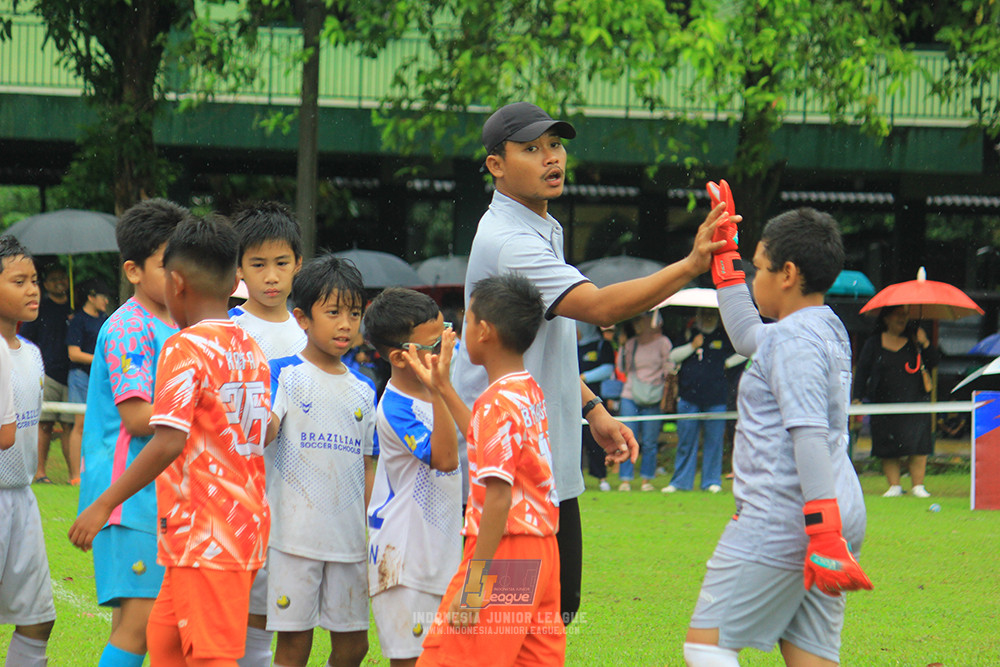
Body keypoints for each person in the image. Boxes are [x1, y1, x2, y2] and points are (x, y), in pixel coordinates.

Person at [450, 101, 731, 623]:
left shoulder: (541, 226)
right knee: (509, 617)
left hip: (547, 463)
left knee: (555, 607)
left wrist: (592, 407)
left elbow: (537, 349)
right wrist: (692, 265)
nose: (551, 158)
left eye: (555, 145)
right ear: (495, 164)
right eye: (531, 149)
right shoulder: (510, 240)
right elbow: (600, 308)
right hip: (506, 470)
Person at [70, 214, 271, 667]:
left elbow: (166, 441)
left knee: (209, 655)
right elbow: (265, 426)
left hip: (208, 533)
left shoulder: (185, 346)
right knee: (164, 642)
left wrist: (104, 502)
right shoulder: (250, 346)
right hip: (213, 528)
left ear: (177, 283)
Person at [684, 205, 872, 667]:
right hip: (830, 511)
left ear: (787, 273)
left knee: (706, 647)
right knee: (810, 656)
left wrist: (822, 530)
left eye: (759, 268)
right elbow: (749, 335)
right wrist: (724, 257)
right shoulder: (825, 327)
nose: (753, 279)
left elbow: (807, 430)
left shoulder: (793, 340)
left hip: (787, 516)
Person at [419, 274, 564, 667]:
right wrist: (444, 388)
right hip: (542, 549)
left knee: (454, 656)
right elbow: (488, 442)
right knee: (529, 658)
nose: (461, 330)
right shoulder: (526, 390)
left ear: (484, 331)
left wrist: (476, 582)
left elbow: (499, 497)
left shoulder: (495, 403)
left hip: (507, 550)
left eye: (466, 320)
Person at [76, 199, 185, 667]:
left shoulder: (181, 323)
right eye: (167, 266)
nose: (179, 277)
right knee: (140, 626)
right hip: (130, 501)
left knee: (157, 627)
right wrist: (205, 405)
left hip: (163, 497)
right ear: (134, 271)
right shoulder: (127, 327)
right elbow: (139, 418)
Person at [265, 255, 375, 667]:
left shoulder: (365, 389)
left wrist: (368, 530)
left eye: (354, 313)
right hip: (294, 538)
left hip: (348, 541)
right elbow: (265, 430)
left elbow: (367, 465)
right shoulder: (281, 374)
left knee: (354, 646)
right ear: (302, 318)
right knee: (294, 646)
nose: (346, 324)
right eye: (333, 313)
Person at [363, 288, 463, 667]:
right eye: (434, 344)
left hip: (442, 556)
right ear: (399, 357)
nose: (445, 350)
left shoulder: (439, 392)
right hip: (403, 563)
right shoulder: (395, 408)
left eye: (446, 334)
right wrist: (441, 388)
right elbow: (445, 458)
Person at [228, 201, 306, 667]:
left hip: (297, 499)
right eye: (258, 265)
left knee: (287, 610)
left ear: (299, 263)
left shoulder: (309, 335)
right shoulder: (229, 332)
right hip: (242, 494)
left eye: (281, 263)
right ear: (238, 269)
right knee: (248, 613)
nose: (271, 276)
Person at [0, 235, 57, 666]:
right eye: (19, 281)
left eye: (34, 279)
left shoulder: (31, 354)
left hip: (22, 496)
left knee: (38, 618)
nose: (32, 289)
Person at [853, 305, 940, 498]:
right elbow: (862, 371)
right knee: (887, 445)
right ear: (886, 318)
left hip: (915, 401)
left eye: (906, 315)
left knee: (917, 444)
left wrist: (925, 343)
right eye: (898, 315)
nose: (903, 319)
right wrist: (857, 397)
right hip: (883, 403)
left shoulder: (915, 340)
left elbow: (934, 362)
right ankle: (894, 486)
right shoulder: (873, 343)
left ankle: (918, 485)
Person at [664, 308, 743, 494]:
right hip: (689, 396)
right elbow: (672, 356)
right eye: (704, 313)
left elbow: (745, 351)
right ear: (698, 315)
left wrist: (727, 363)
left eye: (710, 313)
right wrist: (692, 346)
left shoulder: (724, 335)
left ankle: (711, 481)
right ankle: (680, 482)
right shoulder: (688, 333)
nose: (707, 316)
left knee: (714, 442)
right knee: (686, 441)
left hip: (716, 397)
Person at [19, 263, 74, 485]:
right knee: (44, 425)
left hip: (71, 374)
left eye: (63, 277)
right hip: (46, 373)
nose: (60, 282)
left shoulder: (74, 309)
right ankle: (40, 472)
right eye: (54, 279)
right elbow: (26, 338)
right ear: (46, 284)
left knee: (70, 426)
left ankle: (74, 475)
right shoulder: (40, 308)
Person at [616, 312, 673, 492]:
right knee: (626, 438)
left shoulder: (663, 342)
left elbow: (669, 368)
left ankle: (646, 480)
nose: (638, 323)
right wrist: (622, 347)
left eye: (641, 319)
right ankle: (625, 479)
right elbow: (622, 368)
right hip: (631, 394)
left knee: (649, 441)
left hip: (653, 395)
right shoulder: (632, 343)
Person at [64, 278, 111, 486]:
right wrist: (102, 360)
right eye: (103, 297)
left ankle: (95, 472)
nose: (106, 302)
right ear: (91, 297)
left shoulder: (105, 319)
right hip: (80, 377)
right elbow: (73, 354)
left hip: (100, 378)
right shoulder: (78, 320)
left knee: (99, 424)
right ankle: (75, 475)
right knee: (80, 425)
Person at [578, 323, 617, 491]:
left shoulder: (602, 344)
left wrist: (583, 378)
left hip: (595, 402)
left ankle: (601, 477)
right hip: (572, 402)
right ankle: (576, 478)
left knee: (595, 440)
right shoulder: (570, 345)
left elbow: (608, 369)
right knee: (575, 442)